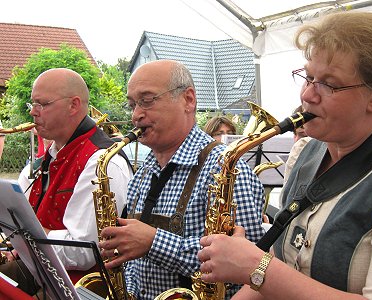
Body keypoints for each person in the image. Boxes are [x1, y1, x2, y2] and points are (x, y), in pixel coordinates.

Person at [197, 11, 372, 299]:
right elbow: (278, 264)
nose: (307, 95)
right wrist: (255, 270)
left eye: (329, 83)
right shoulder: (303, 151)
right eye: (309, 77)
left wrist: (253, 265)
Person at [98, 60, 265, 299]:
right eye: (132, 104)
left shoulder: (226, 169)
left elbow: (250, 267)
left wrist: (154, 243)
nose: (136, 115)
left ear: (188, 100)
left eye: (146, 101)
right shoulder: (145, 170)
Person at [0, 68, 133, 295]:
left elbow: (82, 252)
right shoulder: (50, 157)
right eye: (32, 104)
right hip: (43, 273)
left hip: (78, 288)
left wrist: (27, 234)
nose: (33, 112)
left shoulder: (102, 162)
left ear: (73, 105)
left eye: (42, 104)